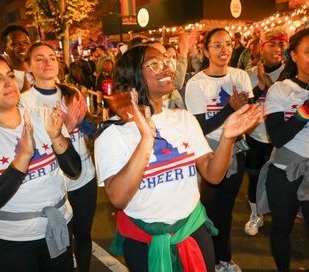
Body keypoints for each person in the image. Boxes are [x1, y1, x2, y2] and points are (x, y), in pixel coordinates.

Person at [94, 44, 262, 272]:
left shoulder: (184, 119)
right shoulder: (113, 133)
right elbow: (119, 199)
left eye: (166, 62)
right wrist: (146, 138)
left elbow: (213, 175)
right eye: (154, 64)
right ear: (133, 75)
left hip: (193, 232)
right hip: (145, 241)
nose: (167, 68)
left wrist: (227, 138)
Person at [0, 52, 82, 272]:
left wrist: (56, 137)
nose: (8, 83)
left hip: (59, 225)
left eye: (10, 75)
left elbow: (74, 170)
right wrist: (23, 156)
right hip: (11, 242)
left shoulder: (42, 115)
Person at [258, 28, 309, 272]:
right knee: (281, 228)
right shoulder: (280, 90)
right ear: (294, 55)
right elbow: (279, 137)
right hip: (285, 173)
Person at [19, 42, 97, 272]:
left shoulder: (72, 92)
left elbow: (90, 130)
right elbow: (31, 144)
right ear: (29, 66)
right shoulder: (24, 102)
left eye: (52, 57)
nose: (47, 62)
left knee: (83, 235)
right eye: (40, 58)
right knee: (60, 240)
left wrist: (85, 124)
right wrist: (67, 127)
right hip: (52, 182)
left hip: (83, 177)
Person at [185, 28, 253, 272]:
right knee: (210, 210)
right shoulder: (196, 84)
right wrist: (229, 109)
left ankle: (224, 260)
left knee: (226, 209)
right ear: (205, 51)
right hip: (207, 151)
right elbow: (199, 126)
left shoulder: (240, 76)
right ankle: (210, 260)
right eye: (216, 45)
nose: (223, 50)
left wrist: (242, 113)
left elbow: (249, 112)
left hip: (235, 150)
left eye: (227, 44)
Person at [244, 28, 289, 236]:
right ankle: (255, 214)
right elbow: (244, 106)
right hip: (255, 136)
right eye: (272, 44)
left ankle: (281, 216)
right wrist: (259, 89)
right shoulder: (250, 74)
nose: (277, 49)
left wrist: (271, 88)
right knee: (254, 178)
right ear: (261, 48)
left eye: (281, 44)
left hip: (281, 137)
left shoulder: (290, 73)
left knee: (279, 180)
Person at [0, 24, 33, 92]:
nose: (23, 47)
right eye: (15, 44)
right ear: (5, 47)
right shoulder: (5, 79)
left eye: (26, 43)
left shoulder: (41, 69)